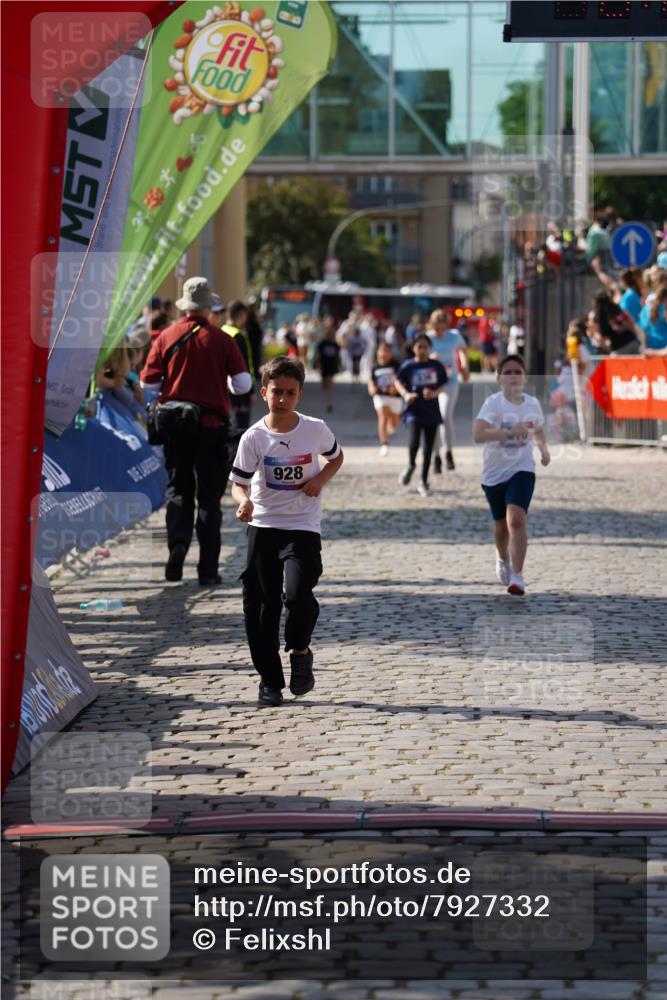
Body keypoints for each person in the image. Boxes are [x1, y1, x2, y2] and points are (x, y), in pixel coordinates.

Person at [229, 356, 344, 707]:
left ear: (299, 395)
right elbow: (237, 482)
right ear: (264, 392)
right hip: (264, 526)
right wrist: (243, 502)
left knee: (296, 596)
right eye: (276, 392)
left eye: (290, 393)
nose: (282, 399)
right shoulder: (254, 437)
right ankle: (269, 681)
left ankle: (300, 649)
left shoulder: (314, 429)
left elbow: (335, 457)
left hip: (302, 527)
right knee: (261, 608)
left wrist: (319, 480)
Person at [141, 276, 251, 585]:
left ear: (184, 306)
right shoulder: (222, 339)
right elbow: (242, 385)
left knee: (178, 490)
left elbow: (147, 383)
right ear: (209, 307)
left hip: (175, 427)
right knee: (209, 498)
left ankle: (177, 546)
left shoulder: (165, 336)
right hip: (211, 427)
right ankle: (207, 568)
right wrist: (222, 380)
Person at [473, 354, 550, 597]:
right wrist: (509, 431)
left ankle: (517, 576)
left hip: (522, 469)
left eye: (518, 372)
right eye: (508, 372)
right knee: (500, 526)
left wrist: (543, 449)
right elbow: (478, 435)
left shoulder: (532, 404)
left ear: (525, 378)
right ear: (498, 379)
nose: (513, 376)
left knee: (515, 520)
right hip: (494, 473)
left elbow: (538, 430)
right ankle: (502, 556)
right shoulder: (493, 404)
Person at [395, 333, 447, 497]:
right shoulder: (408, 366)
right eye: (419, 347)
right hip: (413, 411)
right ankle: (411, 465)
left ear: (429, 348)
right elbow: (397, 381)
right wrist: (405, 394)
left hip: (431, 411)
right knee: (414, 441)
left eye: (425, 347)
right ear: (413, 348)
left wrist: (435, 393)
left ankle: (424, 482)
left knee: (428, 449)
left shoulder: (436, 365)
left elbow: (444, 385)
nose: (422, 350)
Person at [427, 309, 470, 472]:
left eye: (442, 327)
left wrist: (465, 367)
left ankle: (449, 452)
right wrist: (430, 358)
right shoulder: (428, 337)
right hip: (431, 383)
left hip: (450, 381)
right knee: (434, 419)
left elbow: (463, 351)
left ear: (446, 326)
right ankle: (436, 455)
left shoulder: (453, 335)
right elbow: (417, 355)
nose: (439, 331)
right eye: (436, 327)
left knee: (445, 416)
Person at [222, 300, 255, 435]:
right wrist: (251, 391)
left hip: (223, 387)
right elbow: (244, 366)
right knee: (241, 428)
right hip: (239, 390)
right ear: (241, 315)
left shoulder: (221, 331)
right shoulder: (238, 336)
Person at [368, 342, 402, 456]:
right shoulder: (375, 367)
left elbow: (402, 379)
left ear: (391, 353)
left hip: (395, 397)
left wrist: (397, 388)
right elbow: (371, 380)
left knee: (394, 423)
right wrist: (371, 387)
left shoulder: (396, 365)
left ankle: (390, 429)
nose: (383, 354)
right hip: (380, 396)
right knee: (383, 415)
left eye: (386, 351)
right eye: (381, 351)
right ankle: (384, 444)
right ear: (377, 353)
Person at [314, 326, 340, 413]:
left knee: (330, 384)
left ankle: (329, 403)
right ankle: (327, 399)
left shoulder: (335, 344)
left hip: (331, 366)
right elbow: (317, 354)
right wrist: (318, 365)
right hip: (324, 365)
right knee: (325, 384)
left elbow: (337, 355)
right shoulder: (323, 343)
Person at [640, 286, 667, 355]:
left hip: (653, 353)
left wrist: (647, 350)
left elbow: (643, 333)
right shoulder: (663, 309)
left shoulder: (644, 310)